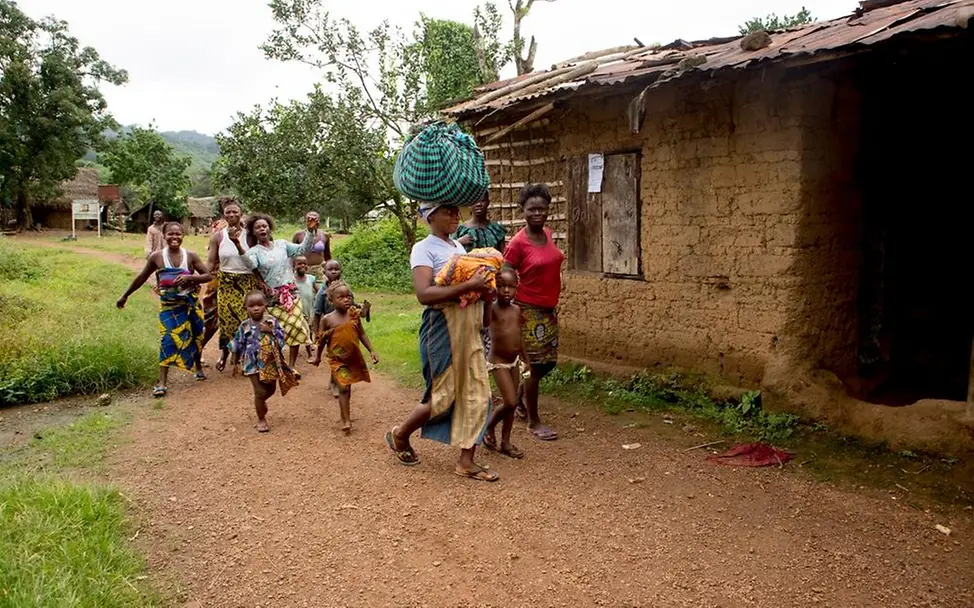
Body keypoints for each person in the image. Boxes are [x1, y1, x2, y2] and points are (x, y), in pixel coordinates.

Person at [385, 203, 499, 482]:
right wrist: (469, 286)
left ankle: (466, 461)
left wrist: (484, 292)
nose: (455, 217)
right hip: (442, 327)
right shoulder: (424, 248)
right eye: (447, 212)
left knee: (477, 392)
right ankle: (400, 435)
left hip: (468, 324)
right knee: (443, 395)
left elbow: (469, 287)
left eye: (455, 212)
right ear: (429, 216)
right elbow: (424, 294)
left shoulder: (458, 249)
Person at [117, 222, 212, 398]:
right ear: (164, 235)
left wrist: (190, 277)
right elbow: (142, 277)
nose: (174, 237)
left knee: (195, 336)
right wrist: (125, 295)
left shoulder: (190, 256)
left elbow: (208, 275)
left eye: (178, 234)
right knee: (167, 340)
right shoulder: (157, 257)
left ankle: (197, 366)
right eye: (171, 234)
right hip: (169, 307)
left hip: (190, 306)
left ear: (183, 236)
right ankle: (162, 383)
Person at [503, 183, 564, 441]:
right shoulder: (518, 243)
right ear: (523, 211)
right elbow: (506, 271)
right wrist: (509, 300)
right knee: (533, 366)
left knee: (548, 363)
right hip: (528, 311)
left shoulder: (548, 235)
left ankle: (517, 401)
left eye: (542, 209)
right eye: (532, 209)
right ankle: (533, 420)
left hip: (548, 310)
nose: (537, 213)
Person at [230, 212, 318, 373]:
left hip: (291, 295)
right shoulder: (254, 251)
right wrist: (237, 243)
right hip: (271, 298)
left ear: (270, 228)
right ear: (254, 232)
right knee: (274, 331)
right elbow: (249, 264)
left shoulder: (282, 245)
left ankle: (291, 367)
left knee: (295, 328)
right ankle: (279, 362)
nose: (262, 229)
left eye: (264, 226)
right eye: (258, 227)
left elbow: (303, 249)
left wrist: (310, 231)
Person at [312, 281, 379, 435]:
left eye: (348, 296)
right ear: (331, 300)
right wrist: (317, 357)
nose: (346, 299)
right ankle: (346, 420)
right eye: (340, 297)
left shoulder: (354, 315)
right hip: (337, 360)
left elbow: (361, 333)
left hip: (353, 358)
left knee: (348, 388)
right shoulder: (327, 320)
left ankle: (345, 414)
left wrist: (371, 351)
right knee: (343, 387)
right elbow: (321, 340)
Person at [228, 291, 298, 433]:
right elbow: (237, 343)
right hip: (251, 362)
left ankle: (261, 402)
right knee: (259, 391)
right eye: (251, 306)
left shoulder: (271, 322)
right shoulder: (244, 326)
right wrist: (234, 362)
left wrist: (270, 331)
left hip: (269, 361)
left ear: (265, 305)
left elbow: (281, 339)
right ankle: (261, 418)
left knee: (270, 390)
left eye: (260, 305)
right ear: (245, 308)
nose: (256, 308)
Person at [206, 198, 263, 372]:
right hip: (227, 283)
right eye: (228, 212)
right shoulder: (218, 237)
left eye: (235, 212)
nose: (231, 215)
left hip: (247, 282)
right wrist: (199, 278)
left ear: (241, 214)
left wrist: (262, 281)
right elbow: (210, 262)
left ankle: (248, 356)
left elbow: (257, 260)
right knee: (227, 321)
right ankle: (225, 353)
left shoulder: (250, 236)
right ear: (223, 215)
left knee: (247, 320)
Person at [481, 269, 526, 459]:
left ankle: (506, 442)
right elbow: (484, 322)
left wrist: (527, 359)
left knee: (512, 405)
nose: (506, 290)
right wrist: (488, 299)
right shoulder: (492, 309)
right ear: (495, 288)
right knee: (511, 401)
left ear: (517, 288)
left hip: (514, 362)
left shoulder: (516, 310)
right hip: (498, 362)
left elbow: (519, 336)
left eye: (511, 287)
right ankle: (489, 426)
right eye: (501, 286)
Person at [293, 255, 319, 362]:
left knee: (310, 327)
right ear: (294, 266)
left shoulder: (311, 278)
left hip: (310, 308)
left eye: (304, 263)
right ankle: (309, 353)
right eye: (299, 263)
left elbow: (318, 291)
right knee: (305, 330)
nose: (302, 265)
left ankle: (311, 342)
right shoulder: (292, 280)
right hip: (299, 310)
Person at [292, 211, 331, 279]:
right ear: (306, 221)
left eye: (315, 219)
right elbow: (292, 255)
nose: (313, 221)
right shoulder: (298, 235)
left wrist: (329, 269)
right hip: (302, 270)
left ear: (319, 221)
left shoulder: (325, 235)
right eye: (309, 219)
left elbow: (327, 256)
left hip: (320, 270)